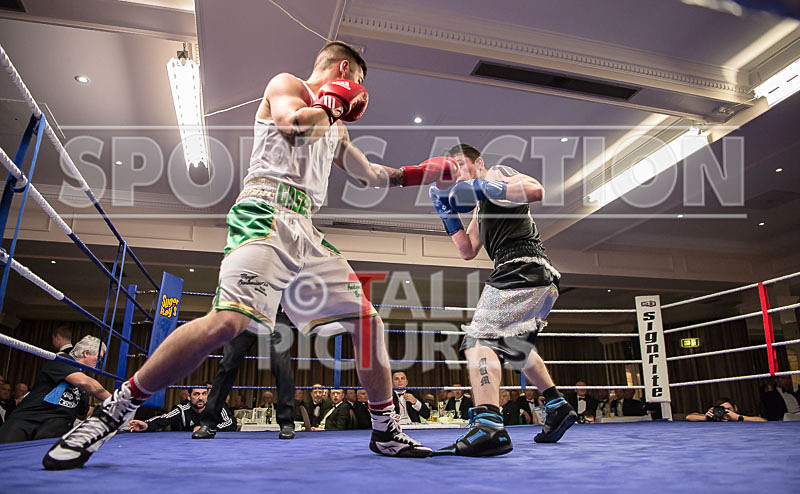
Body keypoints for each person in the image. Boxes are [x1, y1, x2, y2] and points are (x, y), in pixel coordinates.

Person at [43, 40, 452, 470]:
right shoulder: (287, 84)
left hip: (306, 228)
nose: (359, 94)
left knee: (368, 321)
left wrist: (420, 173)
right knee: (228, 322)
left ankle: (385, 429)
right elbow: (293, 126)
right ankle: (115, 410)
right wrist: (334, 104)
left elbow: (370, 174)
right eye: (358, 83)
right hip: (263, 211)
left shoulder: (336, 126)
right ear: (344, 70)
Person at [430, 144, 576, 457]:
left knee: (479, 341)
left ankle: (488, 425)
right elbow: (467, 250)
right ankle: (557, 405)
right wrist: (447, 215)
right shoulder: (480, 211)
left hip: (521, 268)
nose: (456, 175)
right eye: (450, 171)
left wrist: (483, 185)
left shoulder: (498, 173)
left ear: (478, 163)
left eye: (460, 166)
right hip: (534, 277)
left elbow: (535, 190)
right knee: (515, 347)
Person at [192, 326, 295, 440]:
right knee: (228, 364)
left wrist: (289, 306)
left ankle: (287, 423)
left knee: (282, 365)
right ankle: (208, 423)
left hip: (275, 315)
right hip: (247, 313)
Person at [0, 336, 110, 443]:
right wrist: (117, 399)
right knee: (5, 456)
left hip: (53, 427)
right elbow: (85, 382)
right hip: (28, 420)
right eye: (99, 357)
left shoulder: (83, 388)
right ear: (86, 353)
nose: (100, 362)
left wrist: (112, 410)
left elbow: (83, 413)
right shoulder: (62, 361)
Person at [129, 387, 237, 432]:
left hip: (215, 446)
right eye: (196, 394)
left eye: (204, 394)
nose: (201, 398)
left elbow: (231, 422)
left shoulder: (217, 406)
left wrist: (208, 428)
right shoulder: (182, 409)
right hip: (189, 448)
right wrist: (146, 425)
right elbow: (164, 418)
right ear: (189, 397)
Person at [686, 397, 766, 422]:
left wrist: (738, 417)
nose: (725, 411)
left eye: (728, 409)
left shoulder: (741, 417)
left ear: (735, 408)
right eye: (722, 409)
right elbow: (689, 417)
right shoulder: (715, 418)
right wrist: (705, 418)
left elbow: (763, 421)